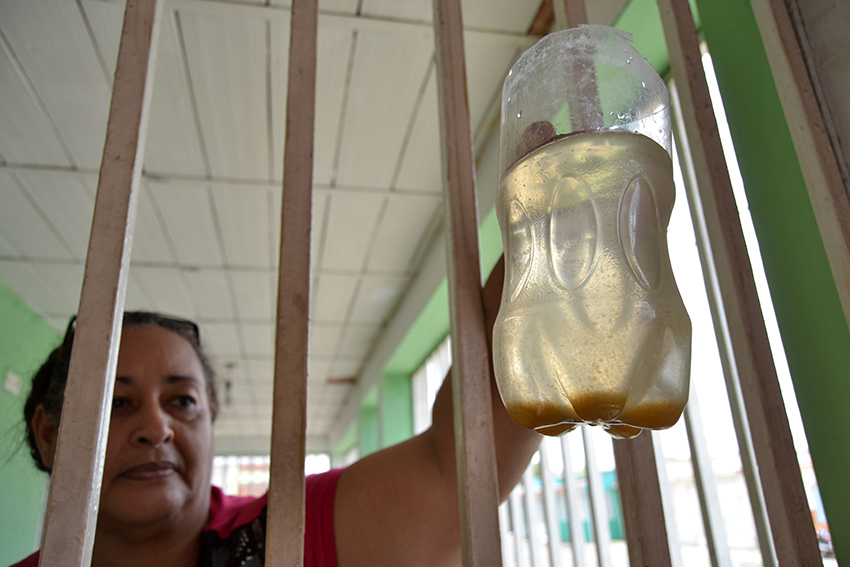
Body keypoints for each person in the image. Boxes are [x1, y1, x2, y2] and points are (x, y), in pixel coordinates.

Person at [12, 262, 542, 567]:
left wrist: (544, 219)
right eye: (117, 404)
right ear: (50, 434)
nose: (155, 429)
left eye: (183, 402)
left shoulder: (291, 534)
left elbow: (460, 466)